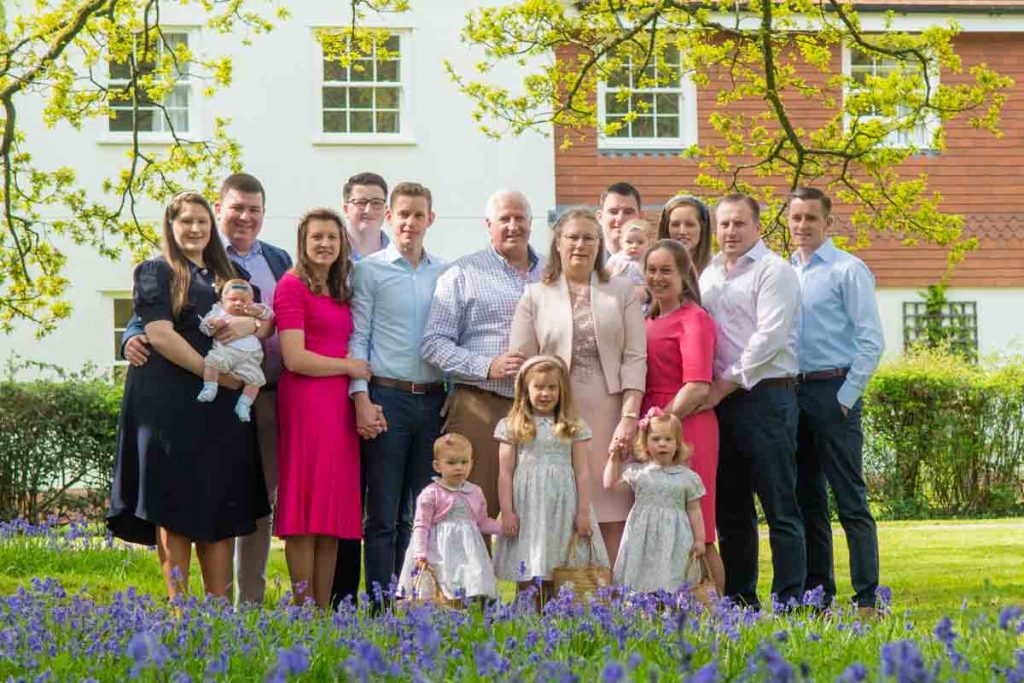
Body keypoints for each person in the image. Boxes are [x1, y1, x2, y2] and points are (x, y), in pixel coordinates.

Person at [121, 173, 291, 607]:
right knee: (174, 505)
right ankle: (181, 609)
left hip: (221, 410)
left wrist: (254, 326)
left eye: (201, 222)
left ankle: (218, 613)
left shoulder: (226, 274)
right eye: (186, 222)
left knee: (222, 500)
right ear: (171, 227)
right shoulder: (154, 271)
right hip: (171, 404)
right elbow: (158, 333)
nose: (195, 229)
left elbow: (259, 317)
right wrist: (212, 373)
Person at [509, 208, 646, 568]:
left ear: (600, 244)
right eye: (573, 237)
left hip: (610, 410)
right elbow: (524, 363)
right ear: (558, 242)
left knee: (611, 501)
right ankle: (557, 597)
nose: (580, 245)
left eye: (589, 237)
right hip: (555, 416)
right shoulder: (535, 295)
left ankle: (611, 598)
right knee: (559, 504)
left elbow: (635, 358)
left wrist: (629, 417)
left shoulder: (622, 291)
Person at [697, 193, 805, 610]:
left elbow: (769, 339)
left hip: (766, 397)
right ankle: (742, 600)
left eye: (739, 223)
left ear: (758, 227)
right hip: (719, 403)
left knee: (780, 505)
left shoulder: (774, 271)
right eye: (723, 224)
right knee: (731, 510)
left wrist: (725, 383)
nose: (730, 231)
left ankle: (790, 599)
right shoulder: (708, 275)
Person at [349, 181, 448, 606]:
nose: (409, 222)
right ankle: (378, 605)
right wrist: (360, 397)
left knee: (421, 511)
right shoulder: (370, 270)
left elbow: (450, 337)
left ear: (430, 219)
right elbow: (359, 337)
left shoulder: (445, 273)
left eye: (418, 214)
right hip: (385, 398)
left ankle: (411, 598)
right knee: (384, 512)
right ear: (390, 217)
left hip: (431, 401)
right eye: (402, 214)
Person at [788, 186, 884, 614]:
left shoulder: (849, 270)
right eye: (796, 218)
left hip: (834, 391)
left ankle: (866, 598)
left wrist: (846, 398)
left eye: (811, 218)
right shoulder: (785, 272)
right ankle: (819, 596)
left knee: (850, 500)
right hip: (794, 392)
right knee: (808, 500)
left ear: (828, 223)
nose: (803, 225)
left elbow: (871, 341)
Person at [421, 189, 545, 518]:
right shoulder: (462, 274)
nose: (513, 225)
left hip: (540, 411)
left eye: (520, 218)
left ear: (531, 224)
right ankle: (469, 572)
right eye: (504, 219)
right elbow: (433, 343)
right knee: (470, 513)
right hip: (481, 405)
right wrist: (486, 365)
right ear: (488, 224)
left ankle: (532, 573)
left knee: (537, 515)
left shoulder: (552, 273)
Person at [274, 208, 370, 609]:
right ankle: (302, 607)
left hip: (339, 409)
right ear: (303, 241)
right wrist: (348, 366)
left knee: (331, 513)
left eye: (332, 237)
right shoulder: (291, 286)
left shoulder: (341, 287)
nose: (325, 244)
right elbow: (294, 357)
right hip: (306, 404)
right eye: (317, 237)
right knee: (305, 508)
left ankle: (324, 609)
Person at [641, 239, 724, 593]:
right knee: (659, 522)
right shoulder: (645, 317)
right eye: (652, 269)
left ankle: (715, 609)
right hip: (651, 425)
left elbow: (697, 385)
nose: (658, 277)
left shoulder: (694, 319)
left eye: (666, 270)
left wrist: (662, 423)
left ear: (684, 275)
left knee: (698, 526)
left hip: (686, 427)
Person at [492, 355, 609, 601]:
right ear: (525, 390)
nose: (545, 393)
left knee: (560, 563)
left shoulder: (573, 426)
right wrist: (507, 511)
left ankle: (559, 617)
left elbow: (582, 471)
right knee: (529, 562)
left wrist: (583, 511)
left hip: (563, 506)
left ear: (561, 390)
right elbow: (505, 472)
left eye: (552, 387)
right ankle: (527, 617)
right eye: (539, 387)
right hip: (528, 508)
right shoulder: (512, 425)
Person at [603, 408, 706, 593]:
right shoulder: (640, 473)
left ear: (677, 444)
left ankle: (669, 609)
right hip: (642, 534)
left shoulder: (687, 478)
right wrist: (614, 458)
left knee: (671, 573)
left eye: (668, 440)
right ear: (646, 444)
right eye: (656, 439)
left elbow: (694, 509)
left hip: (675, 536)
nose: (662, 445)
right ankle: (639, 607)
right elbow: (609, 484)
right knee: (641, 573)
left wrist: (699, 539)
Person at [397, 434, 501, 602]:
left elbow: (482, 522)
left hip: (468, 553)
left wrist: (504, 528)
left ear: (471, 463)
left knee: (470, 583)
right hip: (439, 551)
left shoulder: (475, 492)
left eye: (464, 462)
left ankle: (471, 615)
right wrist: (420, 553)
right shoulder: (431, 493)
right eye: (452, 463)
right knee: (440, 588)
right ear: (438, 466)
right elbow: (421, 526)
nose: (459, 467)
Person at [196, 279, 274, 422]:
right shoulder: (218, 311)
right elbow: (204, 327)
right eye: (233, 299)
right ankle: (210, 387)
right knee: (212, 362)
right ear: (222, 300)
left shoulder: (252, 311)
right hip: (226, 351)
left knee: (255, 380)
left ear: (251, 300)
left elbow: (268, 315)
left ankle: (244, 404)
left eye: (244, 300)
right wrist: (213, 324)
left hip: (250, 356)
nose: (238, 303)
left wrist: (258, 310)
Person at [658, 195, 713, 274]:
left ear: (702, 228)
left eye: (690, 225)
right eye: (675, 224)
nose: (682, 231)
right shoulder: (652, 266)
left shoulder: (715, 269)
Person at [342, 171, 391, 260]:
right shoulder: (331, 252)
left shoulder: (399, 255)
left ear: (386, 209)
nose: (368, 210)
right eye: (361, 202)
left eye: (376, 203)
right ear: (346, 209)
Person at [596, 181, 642, 256]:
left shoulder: (652, 263)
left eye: (628, 212)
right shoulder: (587, 261)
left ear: (640, 217)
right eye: (613, 212)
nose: (620, 219)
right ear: (600, 217)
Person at [605, 218, 652, 288]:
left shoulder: (649, 261)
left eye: (640, 242)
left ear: (649, 243)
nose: (634, 246)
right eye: (629, 242)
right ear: (621, 242)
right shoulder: (616, 259)